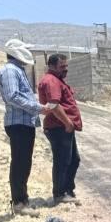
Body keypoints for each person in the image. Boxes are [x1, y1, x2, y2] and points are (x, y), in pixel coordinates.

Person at [0, 39, 50, 213]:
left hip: (24, 123)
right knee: (20, 163)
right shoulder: (11, 70)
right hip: (18, 123)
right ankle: (19, 203)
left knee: (24, 162)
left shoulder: (17, 70)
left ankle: (22, 200)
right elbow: (13, 96)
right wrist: (38, 108)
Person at [37, 54, 83, 205]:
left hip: (63, 127)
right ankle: (59, 194)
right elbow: (54, 104)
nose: (66, 69)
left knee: (73, 159)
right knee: (62, 161)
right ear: (51, 66)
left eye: (66, 66)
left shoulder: (56, 80)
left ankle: (67, 190)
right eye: (62, 66)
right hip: (59, 128)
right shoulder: (51, 81)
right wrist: (68, 122)